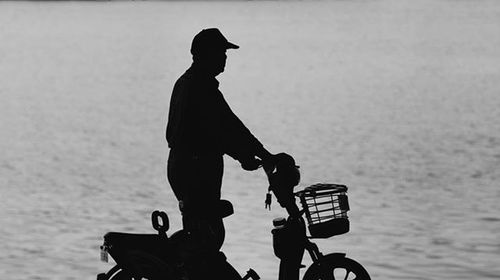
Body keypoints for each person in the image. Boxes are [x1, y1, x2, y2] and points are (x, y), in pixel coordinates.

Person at [166, 28, 273, 279]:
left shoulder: (189, 82)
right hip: (194, 170)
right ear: (205, 54)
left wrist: (247, 154)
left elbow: (222, 130)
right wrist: (261, 155)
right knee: (206, 238)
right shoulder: (200, 86)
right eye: (221, 52)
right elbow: (227, 127)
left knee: (203, 238)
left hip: (184, 166)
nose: (225, 58)